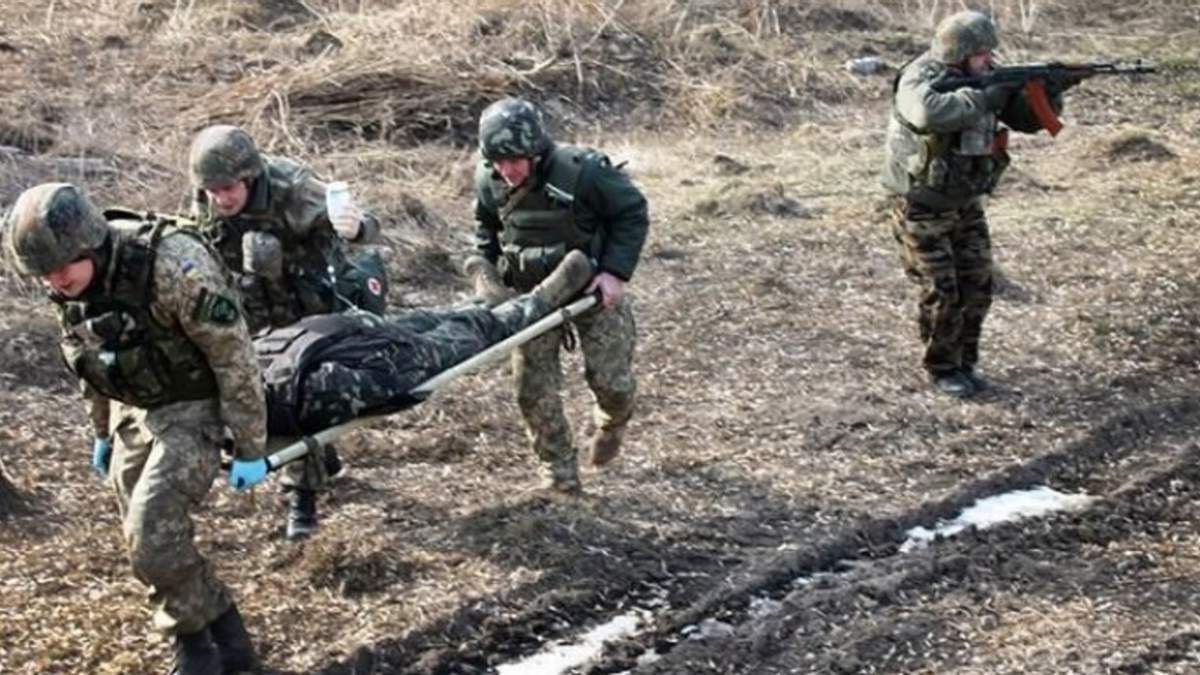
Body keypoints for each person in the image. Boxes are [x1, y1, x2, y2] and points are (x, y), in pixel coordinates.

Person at [3, 183, 266, 674]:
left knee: (151, 535)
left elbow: (233, 354)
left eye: (62, 266)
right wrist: (101, 431)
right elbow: (88, 358)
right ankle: (230, 644)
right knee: (143, 544)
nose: (55, 281)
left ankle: (193, 649)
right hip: (135, 410)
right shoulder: (66, 281)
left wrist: (249, 443)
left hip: (195, 404)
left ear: (91, 243)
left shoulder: (171, 264)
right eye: (43, 273)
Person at [187, 123, 385, 538]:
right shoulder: (205, 196)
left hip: (307, 296)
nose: (221, 199)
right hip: (253, 302)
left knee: (296, 387)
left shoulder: (293, 188)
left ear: (250, 177)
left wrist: (355, 226)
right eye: (213, 191)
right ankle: (320, 458)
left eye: (230, 189)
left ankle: (302, 496)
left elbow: (364, 228)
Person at [230, 250, 595, 475]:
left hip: (361, 352)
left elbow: (372, 384)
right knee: (444, 323)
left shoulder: (285, 397)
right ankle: (507, 301)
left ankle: (524, 301)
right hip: (341, 336)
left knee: (471, 333)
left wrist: (406, 375)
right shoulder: (236, 367)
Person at [882, 10, 1073, 398]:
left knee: (978, 285)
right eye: (983, 53)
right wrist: (985, 96)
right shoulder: (921, 77)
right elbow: (926, 112)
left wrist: (1052, 90)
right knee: (942, 290)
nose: (990, 60)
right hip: (921, 206)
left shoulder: (981, 75)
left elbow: (1027, 121)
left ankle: (965, 364)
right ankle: (941, 368)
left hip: (966, 202)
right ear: (960, 52)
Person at [465, 97, 649, 493]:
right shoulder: (490, 180)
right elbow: (485, 229)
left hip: (592, 292)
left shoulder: (583, 173)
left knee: (612, 383)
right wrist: (488, 275)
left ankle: (612, 422)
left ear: (535, 150)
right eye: (497, 161)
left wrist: (615, 274)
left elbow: (631, 211)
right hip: (531, 300)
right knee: (532, 390)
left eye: (514, 160)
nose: (505, 170)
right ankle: (559, 473)